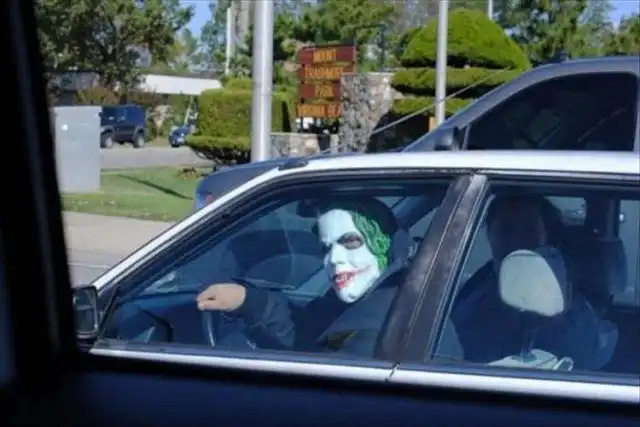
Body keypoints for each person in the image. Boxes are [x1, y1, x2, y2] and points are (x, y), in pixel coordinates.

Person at [196, 197, 408, 353]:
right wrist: (249, 301)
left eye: (350, 241)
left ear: (384, 243)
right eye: (326, 248)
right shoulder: (352, 306)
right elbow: (305, 329)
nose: (333, 259)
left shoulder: (383, 322)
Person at [451, 195, 618, 370]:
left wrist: (556, 322)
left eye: (529, 230)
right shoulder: (476, 289)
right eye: (505, 229)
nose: (516, 240)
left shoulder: (566, 297)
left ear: (546, 236)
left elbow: (587, 356)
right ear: (489, 235)